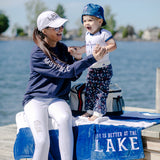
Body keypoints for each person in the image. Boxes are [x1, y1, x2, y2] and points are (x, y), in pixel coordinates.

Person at [23, 10, 107, 160]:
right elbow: (65, 72)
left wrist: (78, 58)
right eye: (56, 27)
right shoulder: (38, 53)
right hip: (35, 100)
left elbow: (73, 75)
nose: (60, 29)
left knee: (64, 118)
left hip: (57, 98)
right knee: (42, 141)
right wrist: (91, 59)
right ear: (44, 31)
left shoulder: (62, 48)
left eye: (61, 26)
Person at [69, 3, 117, 121]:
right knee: (90, 90)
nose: (86, 23)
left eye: (90, 20)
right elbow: (88, 47)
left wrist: (104, 49)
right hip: (92, 68)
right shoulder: (87, 35)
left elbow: (113, 45)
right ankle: (89, 110)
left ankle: (98, 112)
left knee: (101, 90)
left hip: (104, 68)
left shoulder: (104, 34)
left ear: (100, 21)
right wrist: (78, 50)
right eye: (84, 20)